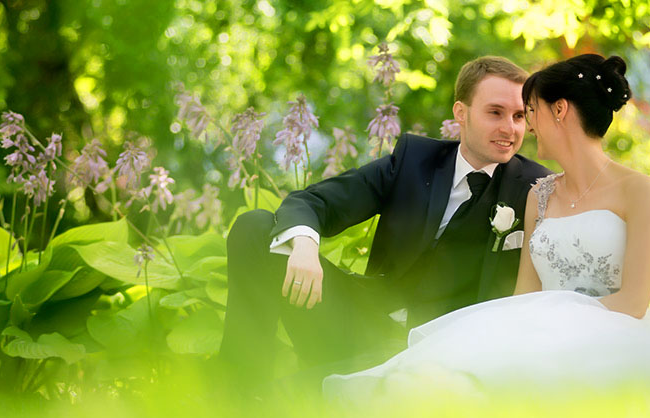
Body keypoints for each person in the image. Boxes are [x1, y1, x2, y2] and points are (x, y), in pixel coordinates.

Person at [323, 54, 650, 402]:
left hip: (615, 338)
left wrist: (554, 324)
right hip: (532, 329)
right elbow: (523, 296)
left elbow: (633, 303)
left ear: (560, 110)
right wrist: (516, 332)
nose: (525, 128)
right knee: (437, 381)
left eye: (529, 111)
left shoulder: (641, 191)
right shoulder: (538, 195)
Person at [220, 56, 552, 392]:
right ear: (460, 113)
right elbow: (313, 202)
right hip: (358, 323)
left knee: (298, 396)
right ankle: (238, 389)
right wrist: (305, 245)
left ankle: (292, 394)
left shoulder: (536, 188)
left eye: (519, 116)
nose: (510, 129)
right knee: (255, 228)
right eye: (495, 112)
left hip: (440, 355)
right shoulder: (415, 162)